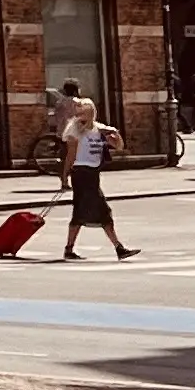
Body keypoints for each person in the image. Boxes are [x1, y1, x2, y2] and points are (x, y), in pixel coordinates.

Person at [57, 87, 135, 261]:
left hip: (93, 174)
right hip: (81, 174)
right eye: (78, 112)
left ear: (91, 112)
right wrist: (64, 178)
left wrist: (115, 137)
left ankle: (69, 249)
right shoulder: (74, 130)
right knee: (102, 212)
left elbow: (119, 147)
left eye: (83, 111)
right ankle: (118, 248)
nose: (79, 115)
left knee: (80, 213)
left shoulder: (99, 130)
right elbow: (70, 156)